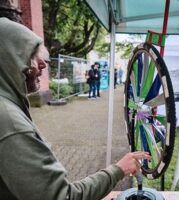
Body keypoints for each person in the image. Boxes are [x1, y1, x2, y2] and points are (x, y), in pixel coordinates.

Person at [0, 17, 151, 200]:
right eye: (31, 55)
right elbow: (63, 197)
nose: (43, 65)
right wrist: (118, 169)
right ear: (8, 58)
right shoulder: (10, 122)